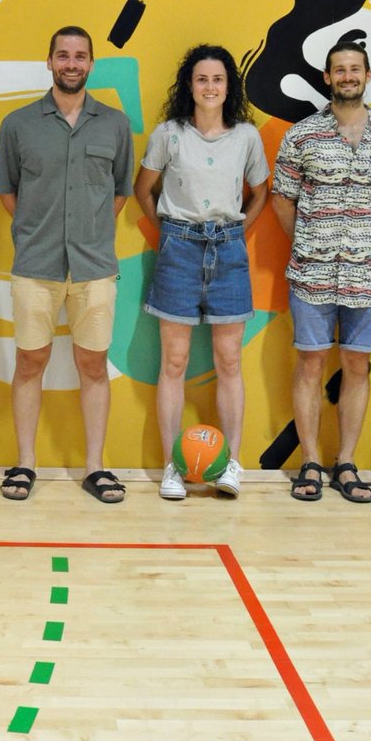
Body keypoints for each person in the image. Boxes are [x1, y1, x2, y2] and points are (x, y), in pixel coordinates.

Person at [0, 26, 135, 504]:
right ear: (49, 61)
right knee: (30, 362)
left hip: (94, 267)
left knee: (92, 365)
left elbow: (120, 191)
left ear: (91, 64)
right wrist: (40, 230)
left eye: (80, 56)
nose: (71, 63)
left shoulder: (115, 124)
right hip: (35, 264)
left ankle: (96, 467)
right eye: (63, 55)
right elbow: (7, 191)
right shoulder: (18, 124)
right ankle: (25, 463)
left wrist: (88, 231)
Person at [133, 45, 269, 501]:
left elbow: (260, 192)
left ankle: (232, 464)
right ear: (188, 86)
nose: (210, 87)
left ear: (229, 87)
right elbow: (144, 189)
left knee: (230, 361)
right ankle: (173, 467)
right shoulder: (169, 134)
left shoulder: (247, 136)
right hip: (179, 249)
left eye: (218, 79)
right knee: (173, 362)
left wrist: (235, 232)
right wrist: (172, 233)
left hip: (229, 251)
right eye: (201, 79)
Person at [271, 40, 371, 503]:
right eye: (339, 70)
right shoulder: (302, 134)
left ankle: (345, 462)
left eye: (355, 69)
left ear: (368, 76)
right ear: (326, 78)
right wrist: (309, 240)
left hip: (368, 275)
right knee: (310, 363)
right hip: (312, 273)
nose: (347, 76)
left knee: (356, 366)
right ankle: (309, 461)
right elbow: (281, 197)